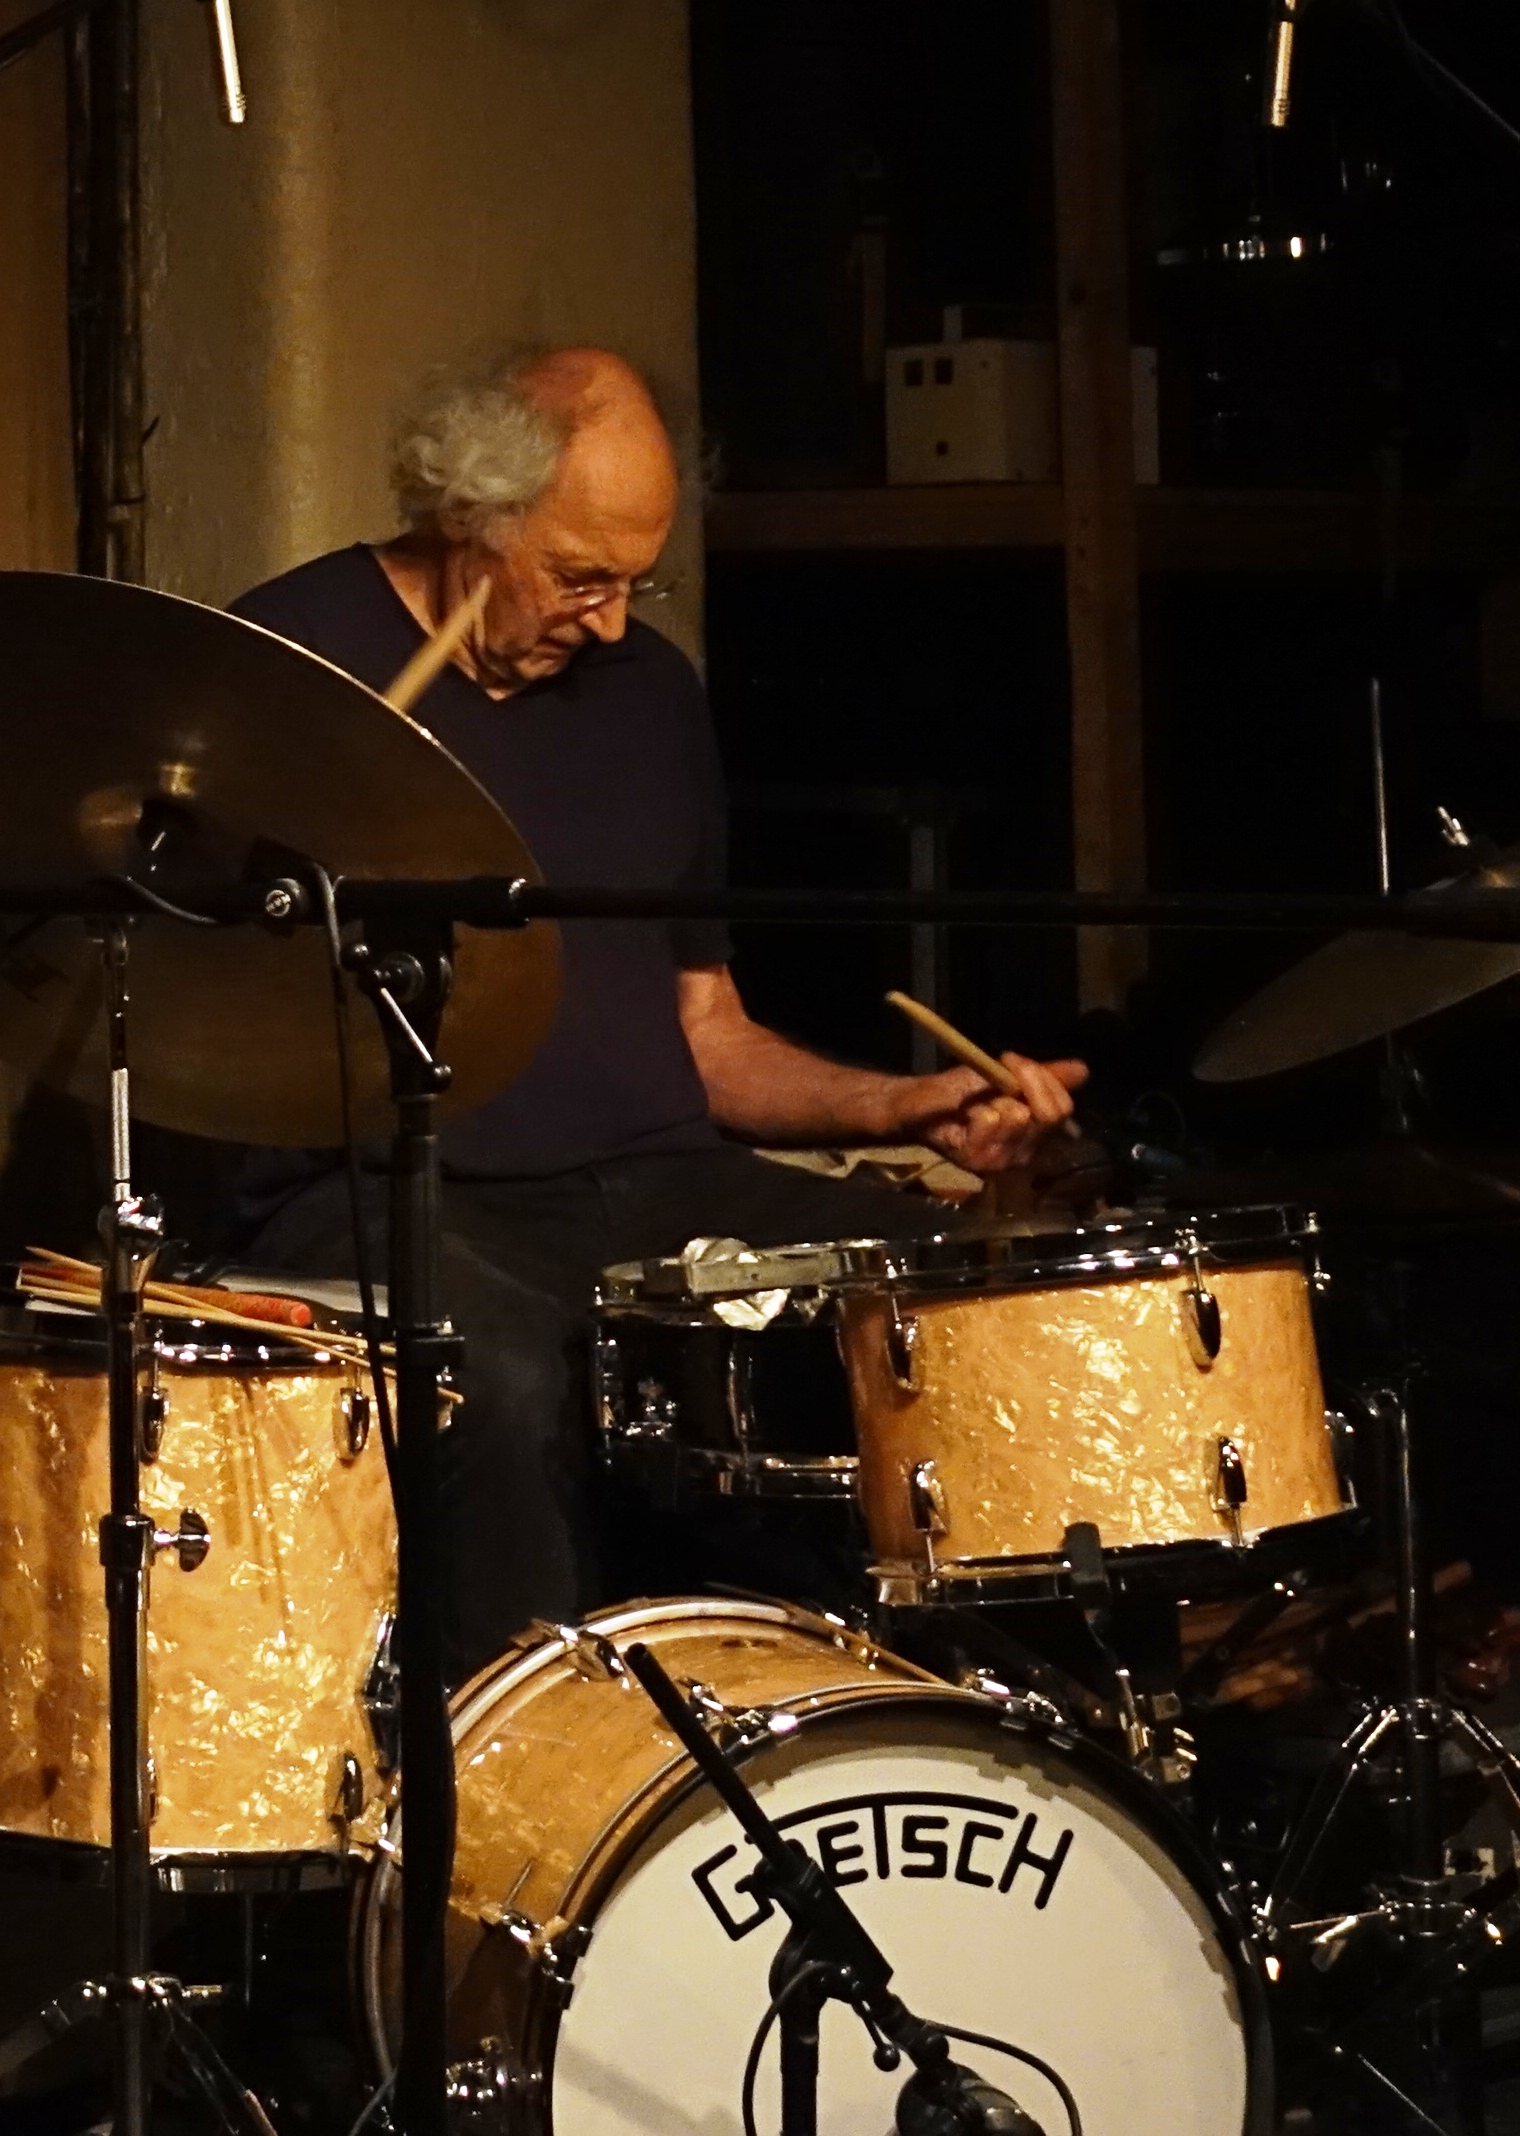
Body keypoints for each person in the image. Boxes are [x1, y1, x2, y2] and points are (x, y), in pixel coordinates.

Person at [220, 345, 1081, 1654]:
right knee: (500, 1377)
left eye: (638, 579)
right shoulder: (292, 659)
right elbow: (203, 1002)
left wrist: (911, 1101)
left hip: (653, 1190)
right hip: (391, 1193)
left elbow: (708, 1030)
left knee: (963, 1296)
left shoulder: (650, 693)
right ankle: (543, 1794)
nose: (613, 619)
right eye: (582, 576)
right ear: (473, 517)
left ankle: (954, 1741)